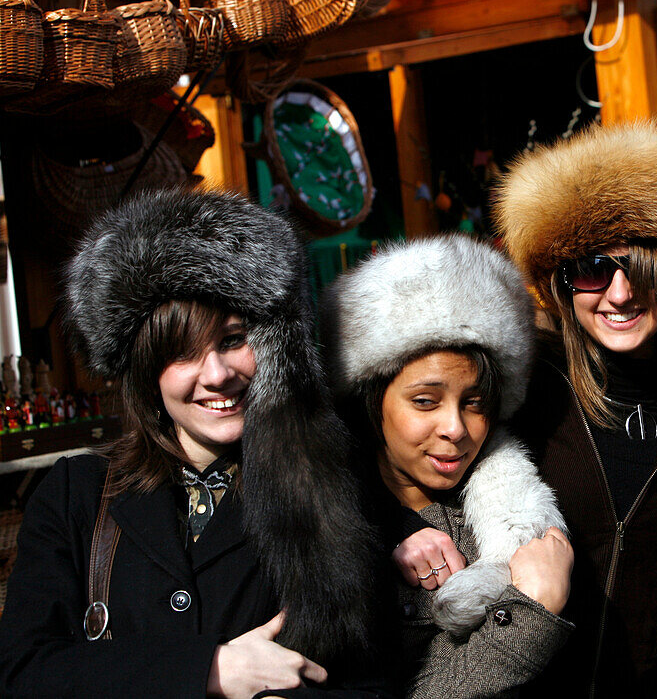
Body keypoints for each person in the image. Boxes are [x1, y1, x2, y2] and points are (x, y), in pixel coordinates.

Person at [398, 121, 657, 696]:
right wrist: (405, 527)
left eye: (639, 267)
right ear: (562, 284)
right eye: (592, 271)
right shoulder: (530, 383)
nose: (619, 295)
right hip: (525, 680)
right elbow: (402, 439)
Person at [0, 188, 386, 699]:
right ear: (145, 373)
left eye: (232, 339)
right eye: (183, 352)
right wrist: (210, 669)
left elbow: (370, 677)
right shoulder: (76, 494)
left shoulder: (330, 484)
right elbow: (22, 671)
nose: (218, 375)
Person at [323, 233, 575, 698]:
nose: (455, 429)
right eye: (424, 401)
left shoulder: (514, 521)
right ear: (372, 399)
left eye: (475, 403)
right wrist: (530, 611)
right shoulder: (323, 529)